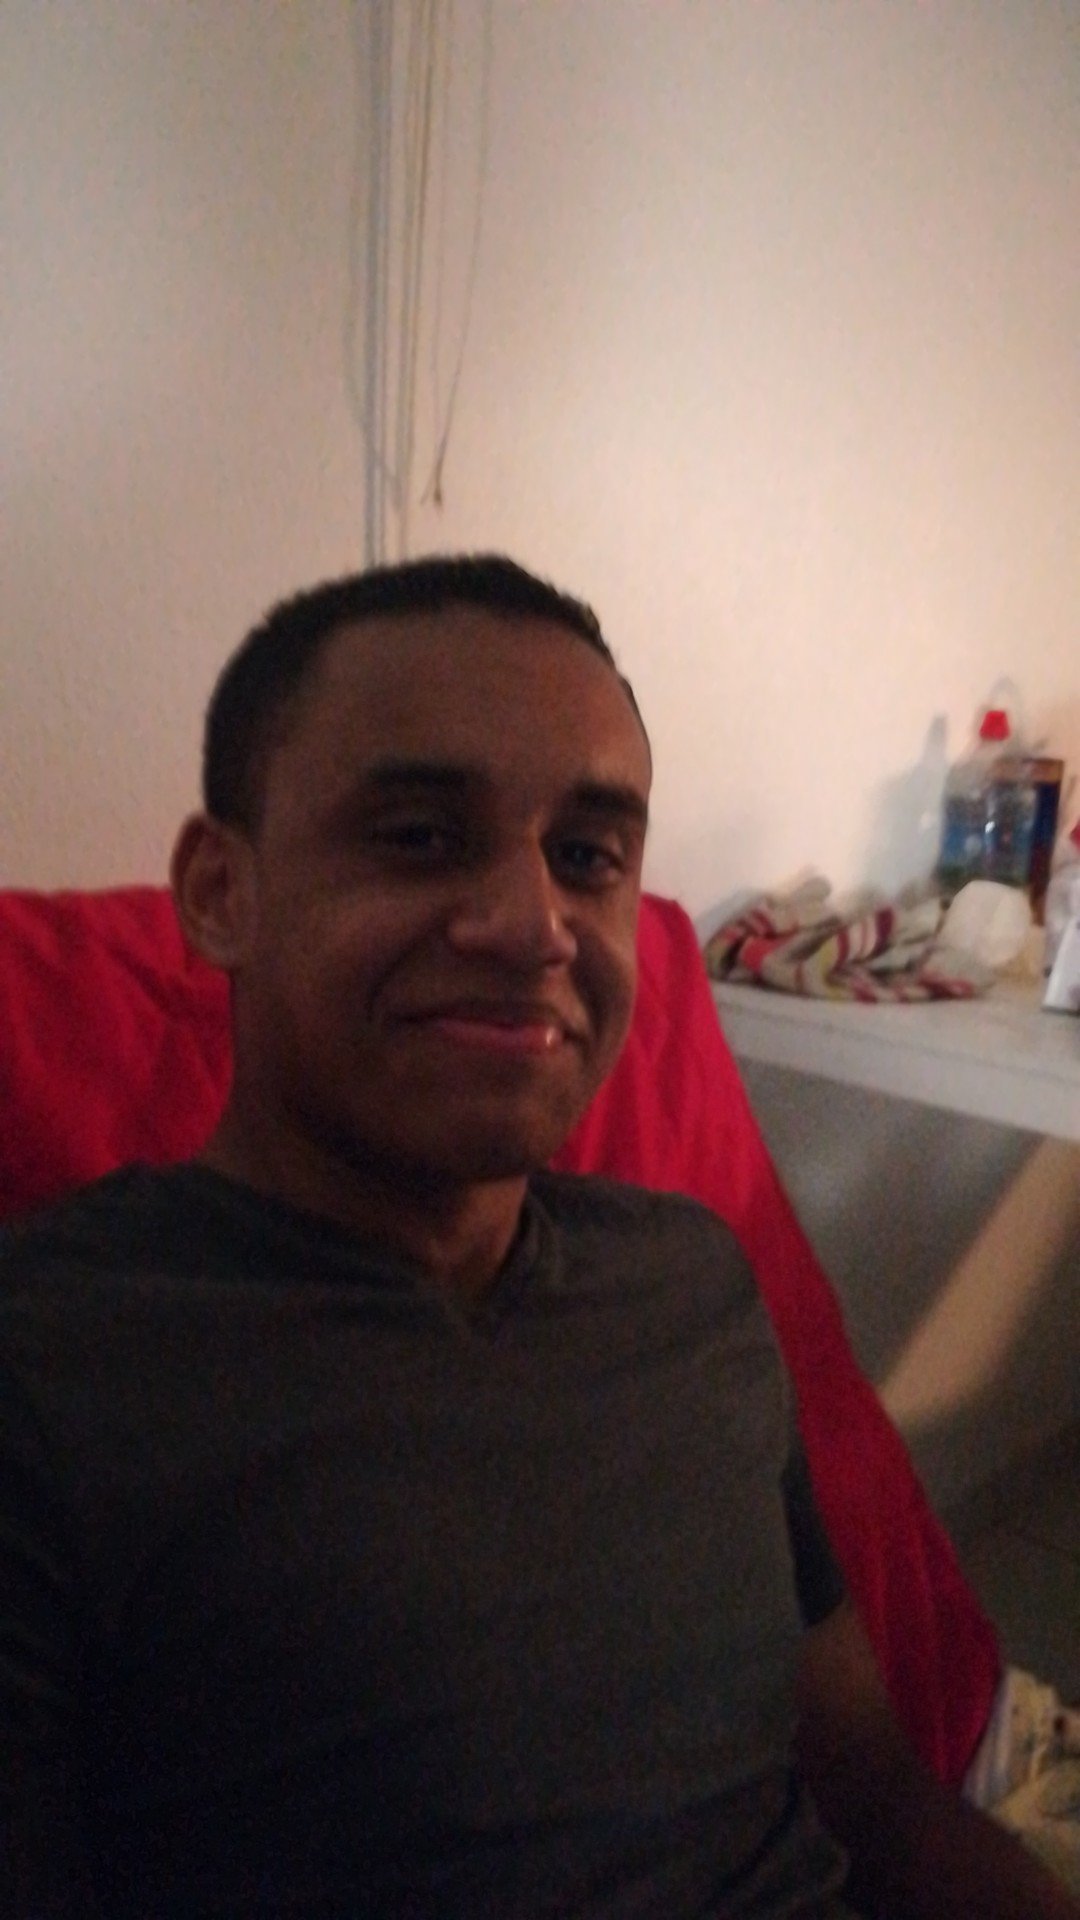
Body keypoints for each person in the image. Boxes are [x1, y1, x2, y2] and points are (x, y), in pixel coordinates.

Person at [1, 554, 1076, 1919]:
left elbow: (875, 1797)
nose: (533, 927)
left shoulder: (691, 1278)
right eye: (417, 836)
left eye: (587, 857)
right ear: (220, 893)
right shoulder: (52, 1376)